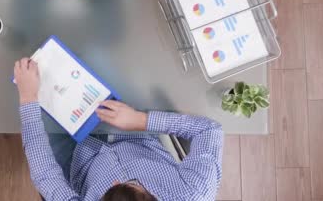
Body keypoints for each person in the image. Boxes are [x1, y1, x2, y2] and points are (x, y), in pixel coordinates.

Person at [13, 58, 224, 200]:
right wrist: (140, 120)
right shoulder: (195, 192)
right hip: (135, 133)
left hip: (78, 158)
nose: (115, 180)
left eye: (108, 190)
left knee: (37, 86)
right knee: (103, 57)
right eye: (133, 183)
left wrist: (28, 97)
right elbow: (209, 131)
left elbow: (45, 175)